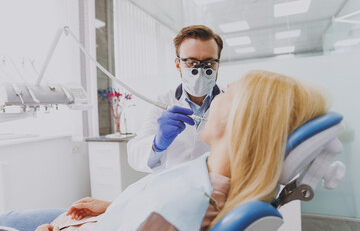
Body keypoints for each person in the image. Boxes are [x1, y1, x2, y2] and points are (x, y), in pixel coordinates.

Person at [0, 70, 328, 231]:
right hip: (109, 216)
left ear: (239, 120)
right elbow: (159, 197)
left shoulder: (191, 202)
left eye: (225, 92)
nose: (214, 94)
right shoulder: (212, 174)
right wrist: (113, 205)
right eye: (191, 65)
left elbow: (169, 210)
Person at [127, 25, 224, 172]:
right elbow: (135, 156)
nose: (200, 72)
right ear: (178, 64)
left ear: (218, 65)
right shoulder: (162, 102)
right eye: (191, 63)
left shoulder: (233, 103)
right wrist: (157, 144)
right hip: (174, 187)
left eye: (209, 63)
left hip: (218, 189)